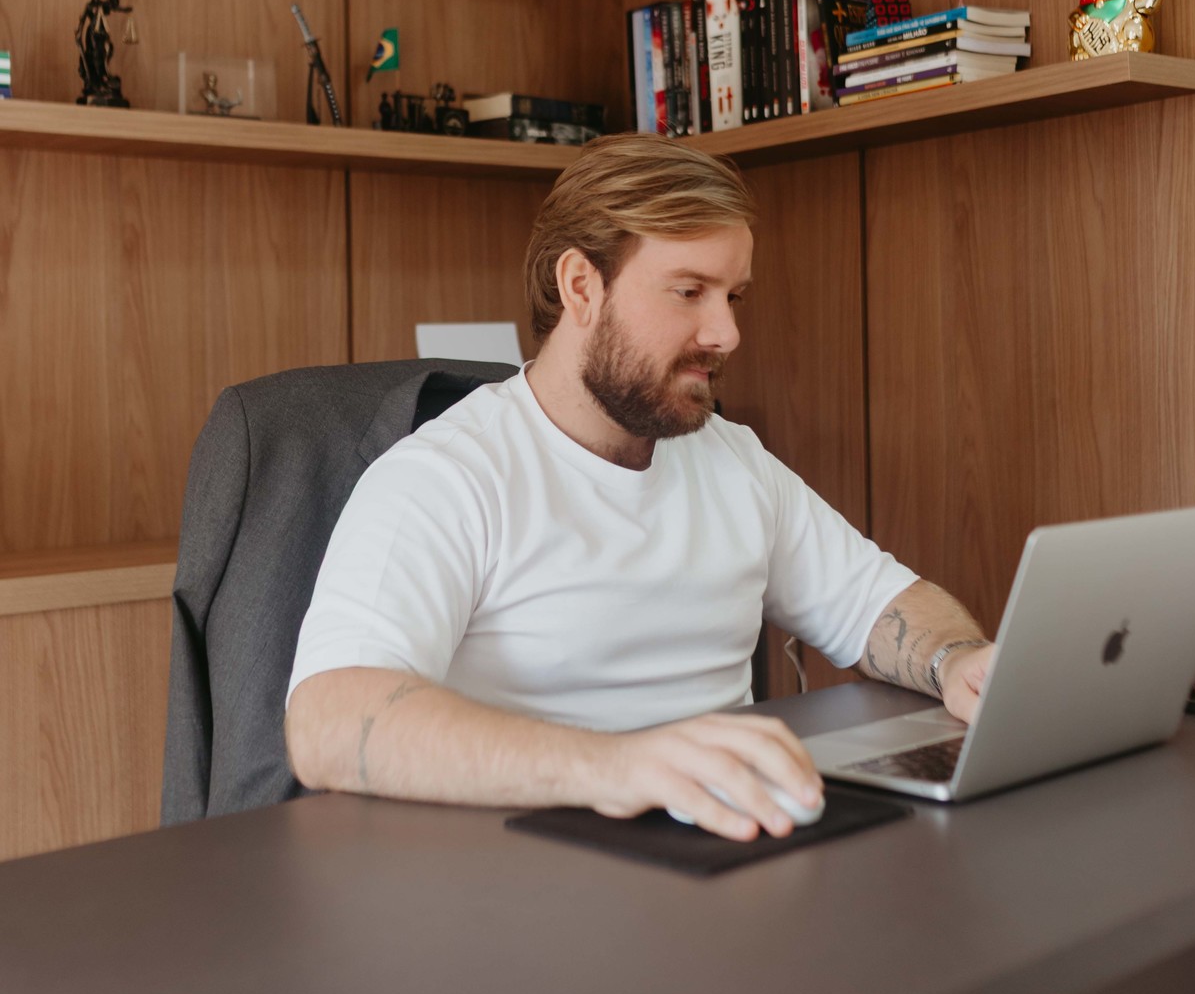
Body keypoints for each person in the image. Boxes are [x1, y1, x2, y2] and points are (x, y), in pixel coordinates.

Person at [286, 134, 993, 841]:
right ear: (581, 287)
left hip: (730, 843)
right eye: (689, 292)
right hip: (530, 864)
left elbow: (879, 605)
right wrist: (618, 765)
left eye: (733, 296)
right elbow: (330, 723)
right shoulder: (445, 477)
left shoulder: (732, 460)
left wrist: (956, 660)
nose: (726, 333)